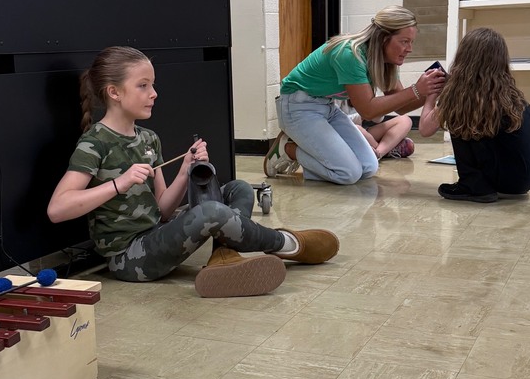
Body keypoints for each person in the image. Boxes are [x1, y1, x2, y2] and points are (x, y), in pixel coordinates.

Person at [47, 46, 339, 298]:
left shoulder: (148, 139)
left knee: (237, 188)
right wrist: (118, 184)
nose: (154, 94)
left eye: (152, 85)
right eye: (143, 86)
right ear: (114, 92)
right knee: (211, 212)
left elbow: (162, 210)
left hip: (156, 233)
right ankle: (286, 244)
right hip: (129, 258)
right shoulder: (95, 143)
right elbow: (57, 209)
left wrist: (185, 171)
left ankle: (224, 256)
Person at [264, 6, 445, 185]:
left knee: (369, 167)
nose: (409, 49)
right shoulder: (350, 53)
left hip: (326, 107)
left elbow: (402, 107)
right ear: (383, 38)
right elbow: (368, 110)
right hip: (297, 107)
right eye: (404, 41)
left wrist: (432, 91)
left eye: (411, 42)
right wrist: (416, 89)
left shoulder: (386, 60)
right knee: (347, 173)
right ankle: (288, 149)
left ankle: (309, 150)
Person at [418, 27, 530, 203]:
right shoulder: (509, 92)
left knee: (457, 113)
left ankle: (473, 186)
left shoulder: (461, 95)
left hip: (511, 179)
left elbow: (425, 129)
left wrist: (431, 96)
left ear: (463, 58)